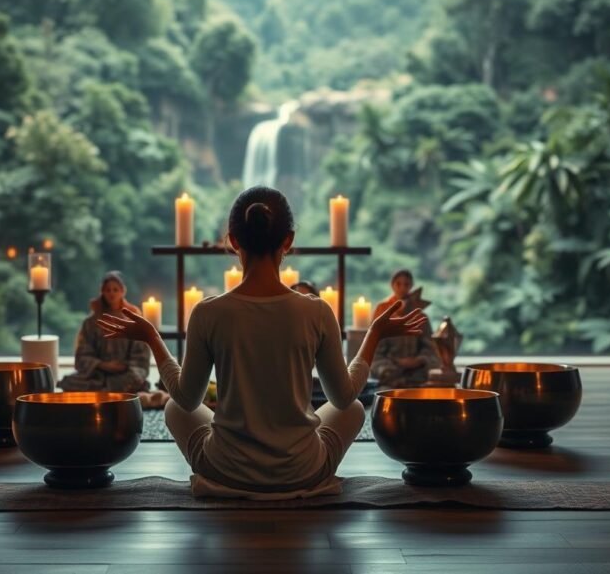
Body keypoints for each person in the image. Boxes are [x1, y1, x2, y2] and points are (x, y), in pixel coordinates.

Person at [98, 187, 426, 493]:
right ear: (289, 241)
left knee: (172, 408)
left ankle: (233, 471)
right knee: (353, 408)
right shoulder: (316, 311)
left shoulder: (209, 312)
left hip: (225, 471)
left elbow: (186, 399)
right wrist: (375, 334)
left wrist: (152, 338)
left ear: (232, 241)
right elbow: (342, 398)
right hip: (303, 471)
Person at [60, 272, 162, 403]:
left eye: (115, 290)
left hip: (125, 372)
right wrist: (102, 364)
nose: (112, 293)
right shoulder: (92, 321)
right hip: (98, 373)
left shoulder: (132, 319)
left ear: (123, 291)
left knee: (134, 379)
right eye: (108, 290)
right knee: (69, 381)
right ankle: (111, 392)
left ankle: (103, 393)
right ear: (102, 292)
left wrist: (124, 366)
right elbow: (83, 353)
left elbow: (141, 355)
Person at [370, 269, 442, 388]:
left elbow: (430, 347)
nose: (402, 288)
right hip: (391, 368)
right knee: (383, 375)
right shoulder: (383, 314)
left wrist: (418, 360)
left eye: (406, 284)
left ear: (411, 286)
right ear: (392, 285)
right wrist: (394, 363)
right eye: (398, 284)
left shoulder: (420, 316)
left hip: (416, 370)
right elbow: (375, 350)